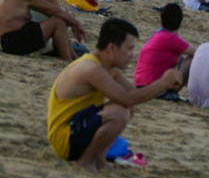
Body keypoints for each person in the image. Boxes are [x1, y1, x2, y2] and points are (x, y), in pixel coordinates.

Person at [47, 18, 182, 170]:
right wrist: (162, 82)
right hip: (64, 140)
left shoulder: (108, 68)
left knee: (125, 109)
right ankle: (85, 162)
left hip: (77, 129)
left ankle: (100, 160)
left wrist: (164, 85)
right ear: (111, 48)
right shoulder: (91, 69)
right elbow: (127, 99)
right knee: (119, 112)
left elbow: (134, 95)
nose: (132, 55)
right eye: (129, 49)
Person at [0, 0, 86, 60]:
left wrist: (72, 24)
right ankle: (67, 60)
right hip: (13, 41)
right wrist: (77, 24)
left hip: (11, 39)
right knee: (57, 23)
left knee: (58, 21)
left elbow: (52, 12)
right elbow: (55, 11)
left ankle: (72, 57)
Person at [133, 4, 195, 100]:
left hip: (141, 84)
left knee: (179, 59)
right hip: (156, 87)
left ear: (161, 20)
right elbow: (198, 53)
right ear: (180, 22)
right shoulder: (171, 38)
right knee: (190, 59)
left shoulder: (156, 35)